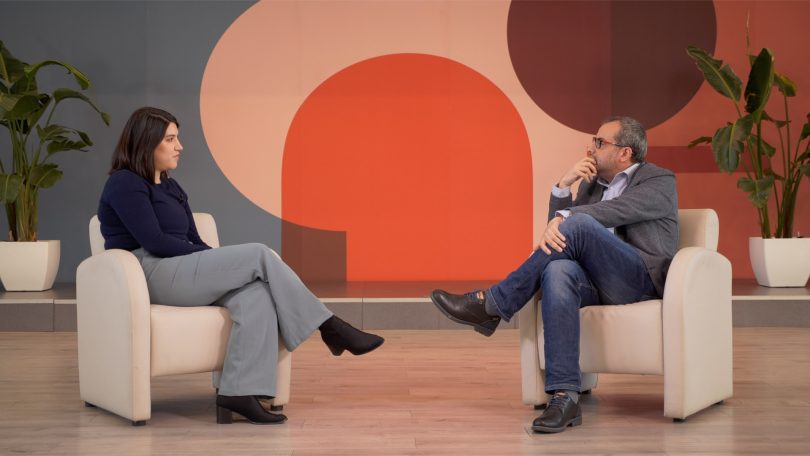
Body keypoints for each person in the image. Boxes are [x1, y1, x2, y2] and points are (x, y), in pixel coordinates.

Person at [97, 107, 384, 425]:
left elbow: (194, 239)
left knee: (257, 293)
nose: (180, 146)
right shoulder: (124, 183)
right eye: (170, 139)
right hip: (147, 273)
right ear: (146, 141)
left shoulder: (172, 187)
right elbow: (155, 242)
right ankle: (329, 326)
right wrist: (205, 259)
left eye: (178, 138)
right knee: (260, 254)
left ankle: (239, 392)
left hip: (181, 269)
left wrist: (210, 261)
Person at [430, 116, 678, 433]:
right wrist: (563, 185)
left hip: (638, 280)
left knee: (578, 223)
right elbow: (556, 238)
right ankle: (565, 397)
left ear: (624, 153)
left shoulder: (659, 181)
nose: (590, 148)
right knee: (558, 269)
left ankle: (491, 303)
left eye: (599, 142)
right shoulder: (590, 184)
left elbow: (612, 213)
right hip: (595, 281)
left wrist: (568, 215)